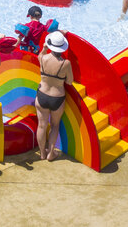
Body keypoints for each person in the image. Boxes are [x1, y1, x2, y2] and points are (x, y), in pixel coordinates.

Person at [36, 31, 74, 161]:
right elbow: (69, 81)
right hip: (57, 98)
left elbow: (39, 55)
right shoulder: (66, 63)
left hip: (42, 95)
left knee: (41, 125)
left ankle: (42, 153)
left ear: (50, 45)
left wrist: (44, 48)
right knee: (54, 125)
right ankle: (51, 154)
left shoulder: (43, 58)